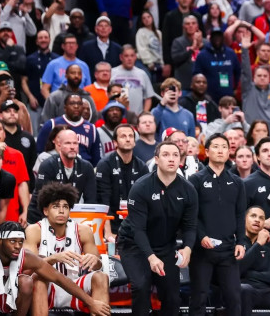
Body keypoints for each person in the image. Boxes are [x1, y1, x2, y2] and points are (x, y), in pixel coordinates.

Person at [0, 221, 110, 316]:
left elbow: (59, 279)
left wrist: (91, 302)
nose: (17, 246)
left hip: (8, 298)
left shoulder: (26, 256)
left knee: (26, 280)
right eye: (12, 241)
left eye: (20, 242)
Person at [118, 139, 198, 316]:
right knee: (141, 286)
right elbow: (138, 230)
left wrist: (187, 249)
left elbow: (190, 226)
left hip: (165, 245)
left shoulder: (188, 190)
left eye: (175, 155)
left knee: (172, 295)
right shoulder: (141, 187)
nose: (171, 159)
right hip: (134, 245)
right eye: (166, 155)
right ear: (156, 159)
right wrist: (151, 257)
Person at [24, 183, 110, 313]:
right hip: (47, 289)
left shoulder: (83, 230)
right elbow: (27, 270)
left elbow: (98, 266)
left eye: (65, 206)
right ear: (45, 210)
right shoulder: (34, 230)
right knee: (38, 279)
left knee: (101, 277)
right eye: (56, 206)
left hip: (74, 286)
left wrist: (95, 260)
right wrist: (53, 258)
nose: (61, 210)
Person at [188, 134, 247, 316]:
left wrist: (241, 242)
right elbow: (191, 215)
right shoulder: (195, 180)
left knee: (234, 298)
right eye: (216, 146)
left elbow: (240, 215)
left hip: (228, 250)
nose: (220, 150)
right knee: (199, 297)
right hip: (202, 250)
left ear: (229, 151)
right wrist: (202, 236)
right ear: (206, 151)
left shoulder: (237, 182)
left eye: (224, 146)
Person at [27, 128, 97, 223]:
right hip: (40, 216)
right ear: (59, 145)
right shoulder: (47, 165)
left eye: (75, 143)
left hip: (72, 216)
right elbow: (43, 199)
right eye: (68, 143)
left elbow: (91, 201)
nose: (72, 147)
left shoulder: (86, 167)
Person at [96, 123, 149, 241]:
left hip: (135, 223)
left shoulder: (142, 166)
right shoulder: (105, 165)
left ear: (135, 142)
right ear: (115, 142)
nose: (128, 139)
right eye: (123, 136)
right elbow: (103, 200)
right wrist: (108, 233)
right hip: (111, 221)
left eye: (131, 136)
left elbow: (146, 200)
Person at [36, 93, 102, 166]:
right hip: (56, 167)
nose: (76, 106)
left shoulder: (92, 128)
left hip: (84, 169)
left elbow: (97, 159)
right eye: (72, 103)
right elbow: (40, 149)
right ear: (65, 108)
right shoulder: (52, 124)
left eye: (79, 104)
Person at [111, 44, 156, 113]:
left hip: (137, 117)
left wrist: (143, 114)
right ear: (121, 57)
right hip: (117, 116)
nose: (129, 59)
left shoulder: (142, 74)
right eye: (126, 56)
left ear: (135, 57)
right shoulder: (112, 72)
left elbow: (148, 97)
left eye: (132, 56)